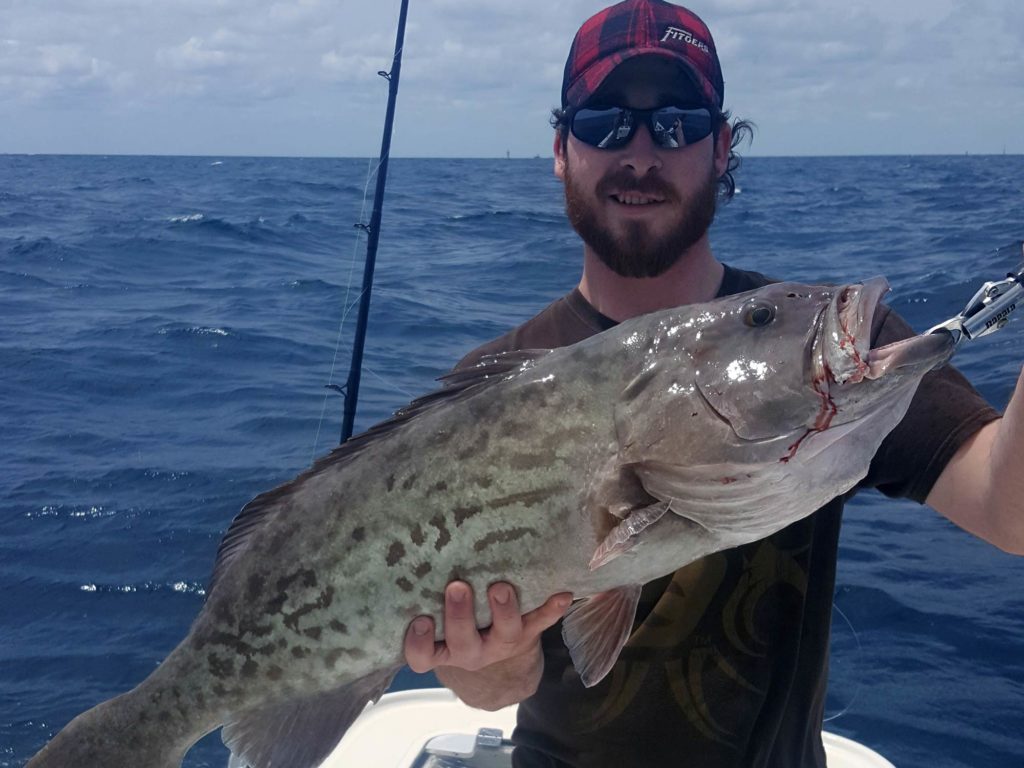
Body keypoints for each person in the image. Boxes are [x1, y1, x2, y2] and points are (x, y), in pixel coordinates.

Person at [403, 1, 1024, 765]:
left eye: (675, 124)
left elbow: (1011, 510)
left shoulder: (818, 346)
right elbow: (500, 688)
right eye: (604, 123)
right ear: (562, 149)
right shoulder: (485, 398)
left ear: (721, 146)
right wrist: (489, 664)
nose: (639, 153)